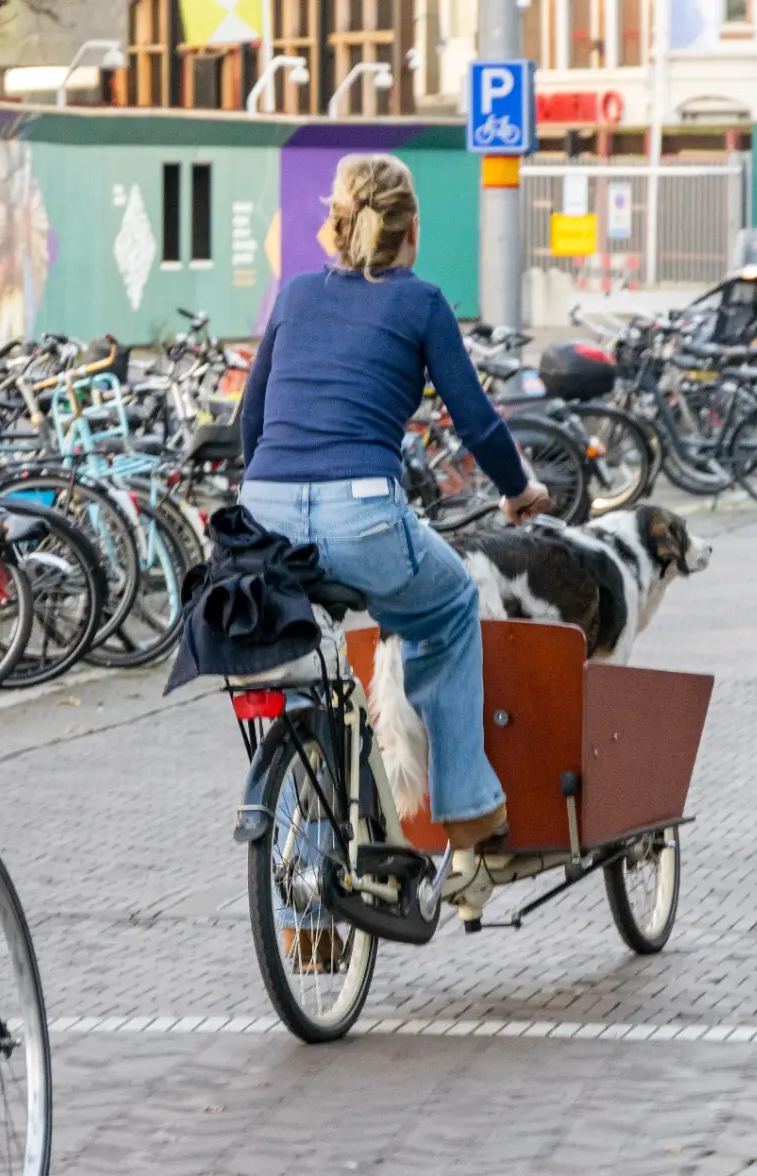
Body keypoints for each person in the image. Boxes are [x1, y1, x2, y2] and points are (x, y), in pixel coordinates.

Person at [236, 153, 551, 866]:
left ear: (338, 227)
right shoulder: (421, 302)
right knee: (446, 610)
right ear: (410, 234)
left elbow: (251, 419)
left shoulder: (293, 296)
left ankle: (307, 915)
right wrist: (517, 490)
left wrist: (267, 498)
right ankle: (467, 807)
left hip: (267, 514)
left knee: (297, 683)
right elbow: (475, 419)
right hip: (363, 515)